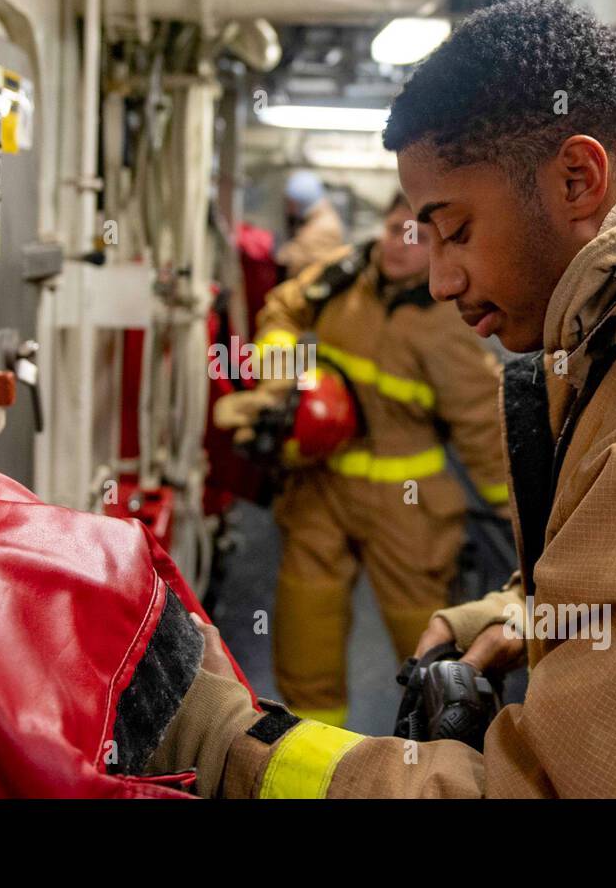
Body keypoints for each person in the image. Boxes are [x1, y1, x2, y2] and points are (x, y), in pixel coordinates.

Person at [144, 0, 616, 798]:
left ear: (579, 178)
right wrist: (546, 614)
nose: (441, 278)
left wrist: (236, 749)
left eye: (458, 229)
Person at [212, 193, 508, 727]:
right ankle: (311, 754)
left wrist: (514, 519)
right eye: (395, 229)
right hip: (319, 491)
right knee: (305, 637)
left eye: (418, 236)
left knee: (430, 648)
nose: (400, 244)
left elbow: (483, 427)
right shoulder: (343, 277)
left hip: (408, 510)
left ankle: (433, 770)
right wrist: (281, 379)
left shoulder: (448, 321)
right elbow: (281, 308)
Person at [274, 170, 347, 273]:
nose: (288, 210)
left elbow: (289, 258)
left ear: (303, 201)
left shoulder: (323, 228)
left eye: (291, 203)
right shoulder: (319, 217)